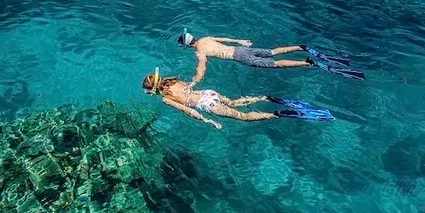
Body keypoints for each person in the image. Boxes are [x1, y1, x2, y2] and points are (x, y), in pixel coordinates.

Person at [141, 68, 334, 129]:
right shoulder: (173, 81)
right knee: (234, 102)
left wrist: (208, 120)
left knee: (243, 117)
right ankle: (266, 97)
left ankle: (279, 113)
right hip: (209, 93)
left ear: (153, 89)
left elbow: (188, 110)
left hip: (206, 104)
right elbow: (190, 88)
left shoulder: (165, 98)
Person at [177, 28, 364, 84]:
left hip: (240, 57)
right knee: (273, 51)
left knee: (276, 64)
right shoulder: (207, 38)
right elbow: (224, 37)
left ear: (187, 46)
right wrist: (241, 41)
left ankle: (307, 63)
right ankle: (300, 46)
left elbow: (201, 67)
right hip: (243, 49)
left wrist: (194, 82)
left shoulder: (199, 51)